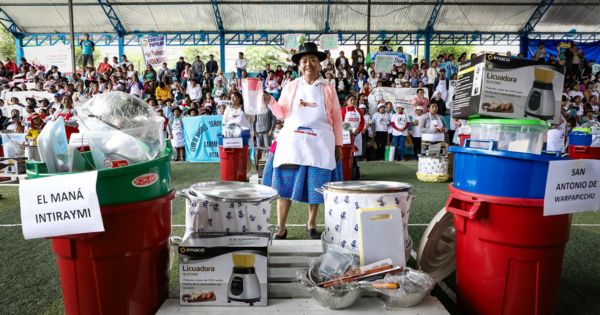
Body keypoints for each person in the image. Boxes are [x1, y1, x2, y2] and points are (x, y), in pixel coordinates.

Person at [261, 42, 343, 240]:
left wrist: (339, 144)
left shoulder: (328, 88)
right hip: (293, 143)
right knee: (283, 186)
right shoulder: (291, 86)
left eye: (313, 60)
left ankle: (311, 223)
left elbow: (337, 117)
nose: (309, 64)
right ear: (299, 65)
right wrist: (270, 101)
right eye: (305, 60)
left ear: (319, 63)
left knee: (315, 185)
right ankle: (281, 227)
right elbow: (281, 113)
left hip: (319, 143)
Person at [341, 94, 365, 179]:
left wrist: (357, 131)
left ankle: (356, 172)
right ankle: (347, 172)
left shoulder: (359, 111)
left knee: (356, 155)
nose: (353, 101)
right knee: (347, 155)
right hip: (347, 136)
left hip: (357, 136)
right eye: (351, 100)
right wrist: (350, 131)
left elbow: (362, 123)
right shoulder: (343, 110)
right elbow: (341, 122)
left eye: (354, 100)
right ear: (346, 101)